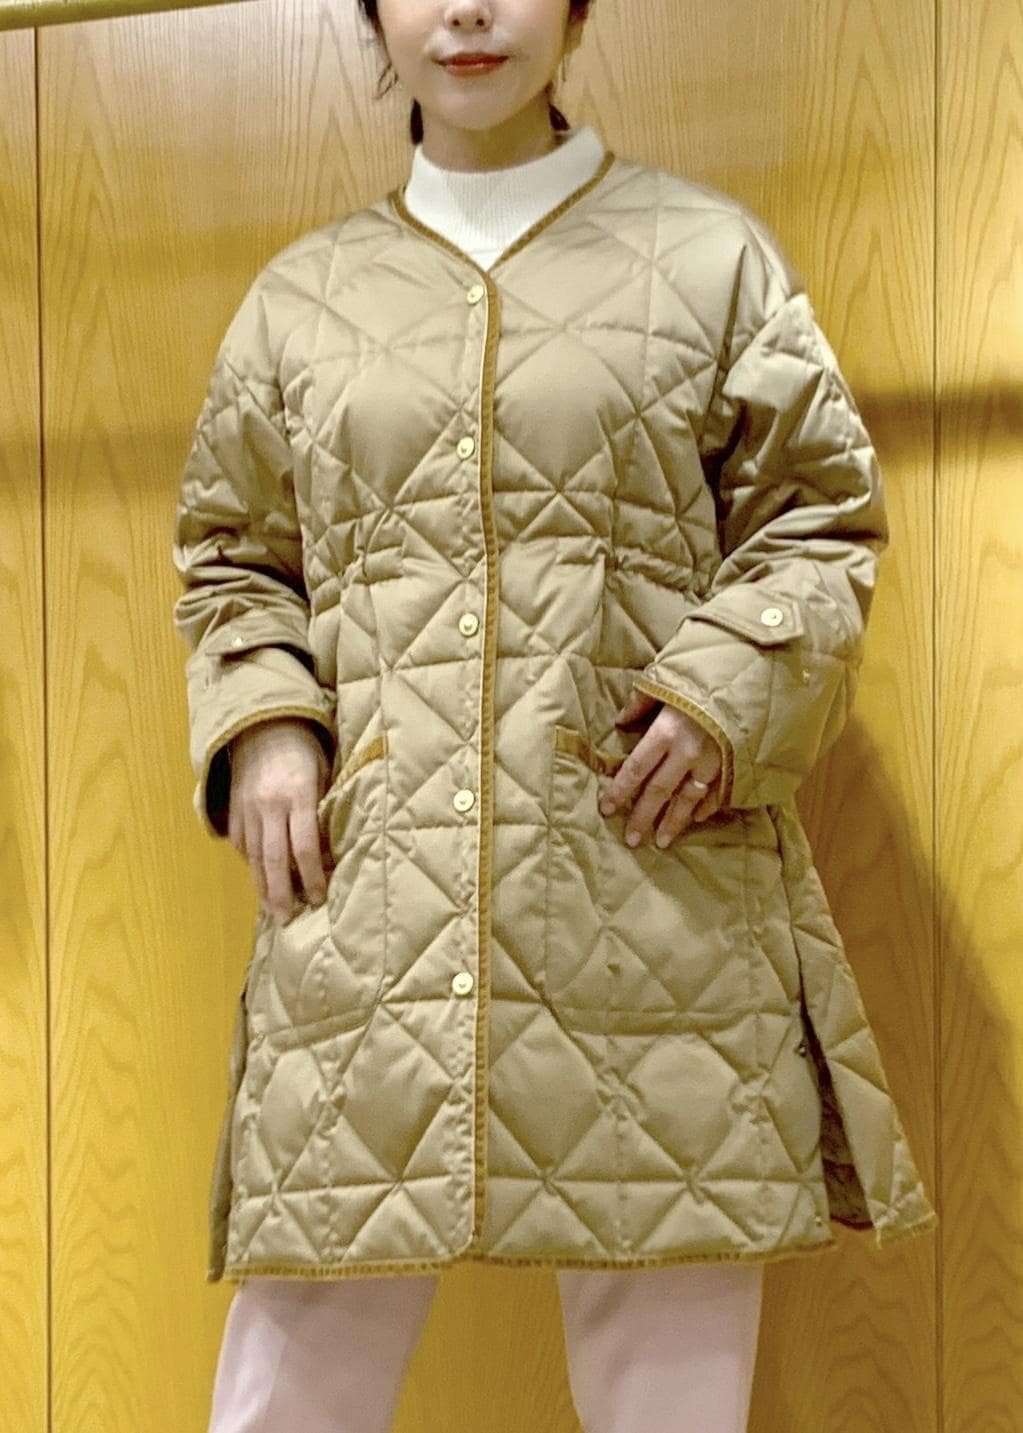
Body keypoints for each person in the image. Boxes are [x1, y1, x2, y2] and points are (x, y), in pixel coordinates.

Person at [171, 2, 939, 1429]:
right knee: (296, 1360)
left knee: (669, 1365)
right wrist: (266, 719)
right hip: (373, 897)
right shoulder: (299, 300)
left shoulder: (709, 258)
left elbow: (820, 523)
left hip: (650, 881)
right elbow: (233, 556)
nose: (469, 10)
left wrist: (724, 694)